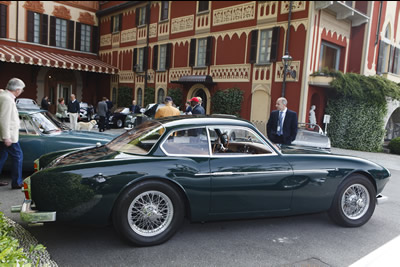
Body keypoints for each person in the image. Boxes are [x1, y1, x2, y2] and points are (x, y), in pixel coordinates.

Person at [0, 78, 25, 188]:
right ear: (17, 90)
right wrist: (6, 137)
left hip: (3, 135)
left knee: (2, 157)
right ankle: (17, 182)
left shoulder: (4, 96)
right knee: (18, 156)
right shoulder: (7, 99)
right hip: (9, 136)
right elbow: (4, 119)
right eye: (22, 90)